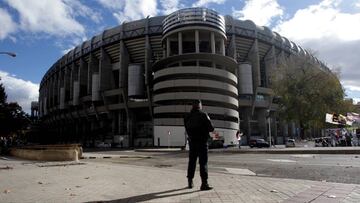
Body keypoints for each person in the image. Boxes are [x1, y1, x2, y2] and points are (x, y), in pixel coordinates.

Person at [184, 100, 214, 191]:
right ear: (199, 106)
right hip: (202, 142)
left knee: (192, 162)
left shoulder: (187, 117)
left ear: (192, 106)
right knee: (203, 163)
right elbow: (211, 128)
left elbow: (187, 129)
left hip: (192, 142)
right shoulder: (204, 115)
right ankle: (204, 184)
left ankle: (190, 181)